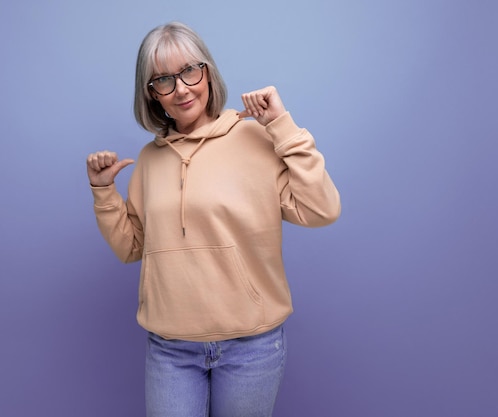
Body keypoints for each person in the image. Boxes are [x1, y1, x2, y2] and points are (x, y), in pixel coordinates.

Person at [86, 21, 341, 417]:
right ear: (152, 95)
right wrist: (104, 193)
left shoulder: (256, 138)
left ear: (207, 71)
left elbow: (322, 209)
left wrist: (282, 126)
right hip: (170, 348)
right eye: (164, 81)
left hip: (251, 347)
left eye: (190, 71)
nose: (182, 88)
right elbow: (132, 248)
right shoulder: (149, 160)